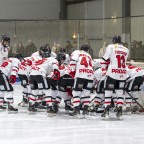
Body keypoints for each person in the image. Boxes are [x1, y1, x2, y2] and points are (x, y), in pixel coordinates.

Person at [101, 35, 129, 120]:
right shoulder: (126, 49)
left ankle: (106, 111)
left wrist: (103, 69)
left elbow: (105, 59)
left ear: (113, 41)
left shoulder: (111, 46)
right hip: (123, 73)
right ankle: (119, 111)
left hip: (112, 73)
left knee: (108, 92)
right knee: (120, 92)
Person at [69, 44, 94, 117]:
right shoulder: (89, 55)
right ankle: (85, 110)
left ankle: (76, 110)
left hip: (81, 74)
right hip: (90, 75)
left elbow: (73, 61)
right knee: (87, 93)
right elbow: (92, 65)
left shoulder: (77, 52)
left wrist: (72, 71)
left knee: (76, 92)